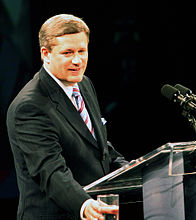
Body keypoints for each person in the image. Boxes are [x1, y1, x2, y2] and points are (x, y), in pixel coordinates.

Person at [7, 14, 128, 220]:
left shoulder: (84, 84)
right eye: (68, 52)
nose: (77, 60)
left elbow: (96, 146)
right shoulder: (30, 106)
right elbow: (50, 170)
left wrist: (135, 171)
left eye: (82, 51)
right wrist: (84, 204)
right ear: (46, 54)